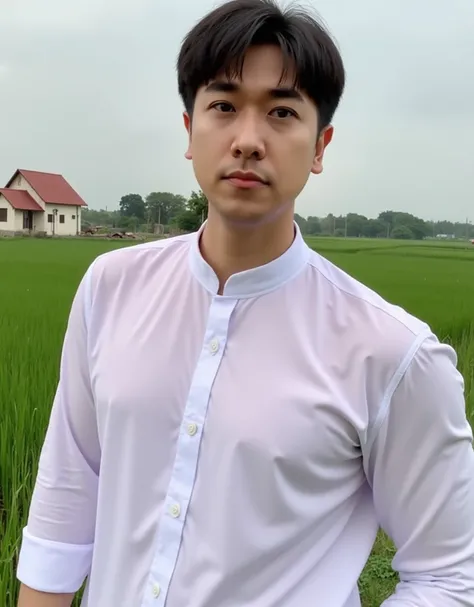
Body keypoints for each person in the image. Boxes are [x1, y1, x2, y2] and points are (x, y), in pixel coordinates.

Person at [17, 0, 474, 605]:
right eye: (224, 107)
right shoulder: (110, 286)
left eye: (283, 112)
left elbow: (449, 575)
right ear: (189, 131)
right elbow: (68, 493)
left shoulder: (392, 353)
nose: (249, 140)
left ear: (319, 145)